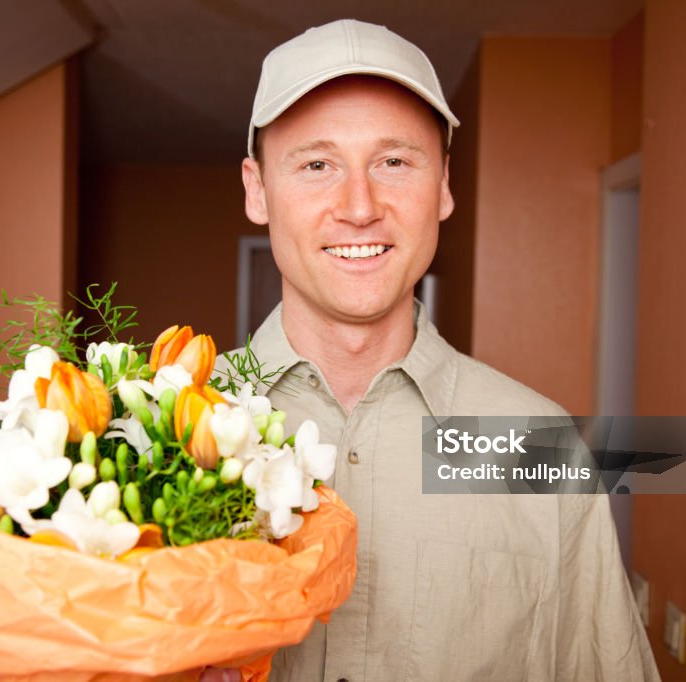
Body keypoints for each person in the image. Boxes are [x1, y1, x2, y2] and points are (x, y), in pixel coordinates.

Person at [214, 19, 660, 681]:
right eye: (316, 164)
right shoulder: (157, 428)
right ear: (257, 190)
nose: (359, 206)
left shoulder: (537, 444)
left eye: (394, 161)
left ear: (444, 185)